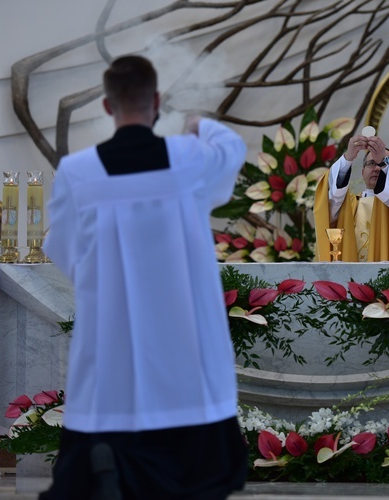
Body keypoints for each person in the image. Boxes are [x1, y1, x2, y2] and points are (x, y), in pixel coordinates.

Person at [41, 56, 248, 499]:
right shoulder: (190, 158)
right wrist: (199, 125)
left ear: (106, 105)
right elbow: (232, 150)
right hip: (184, 351)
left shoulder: (78, 172)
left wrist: (104, 281)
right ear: (156, 101)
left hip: (113, 348)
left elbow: (61, 248)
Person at [313, 134, 389, 262]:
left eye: (382, 163)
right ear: (362, 171)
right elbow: (328, 201)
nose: (376, 168)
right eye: (371, 163)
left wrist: (384, 161)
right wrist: (348, 158)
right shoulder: (349, 205)